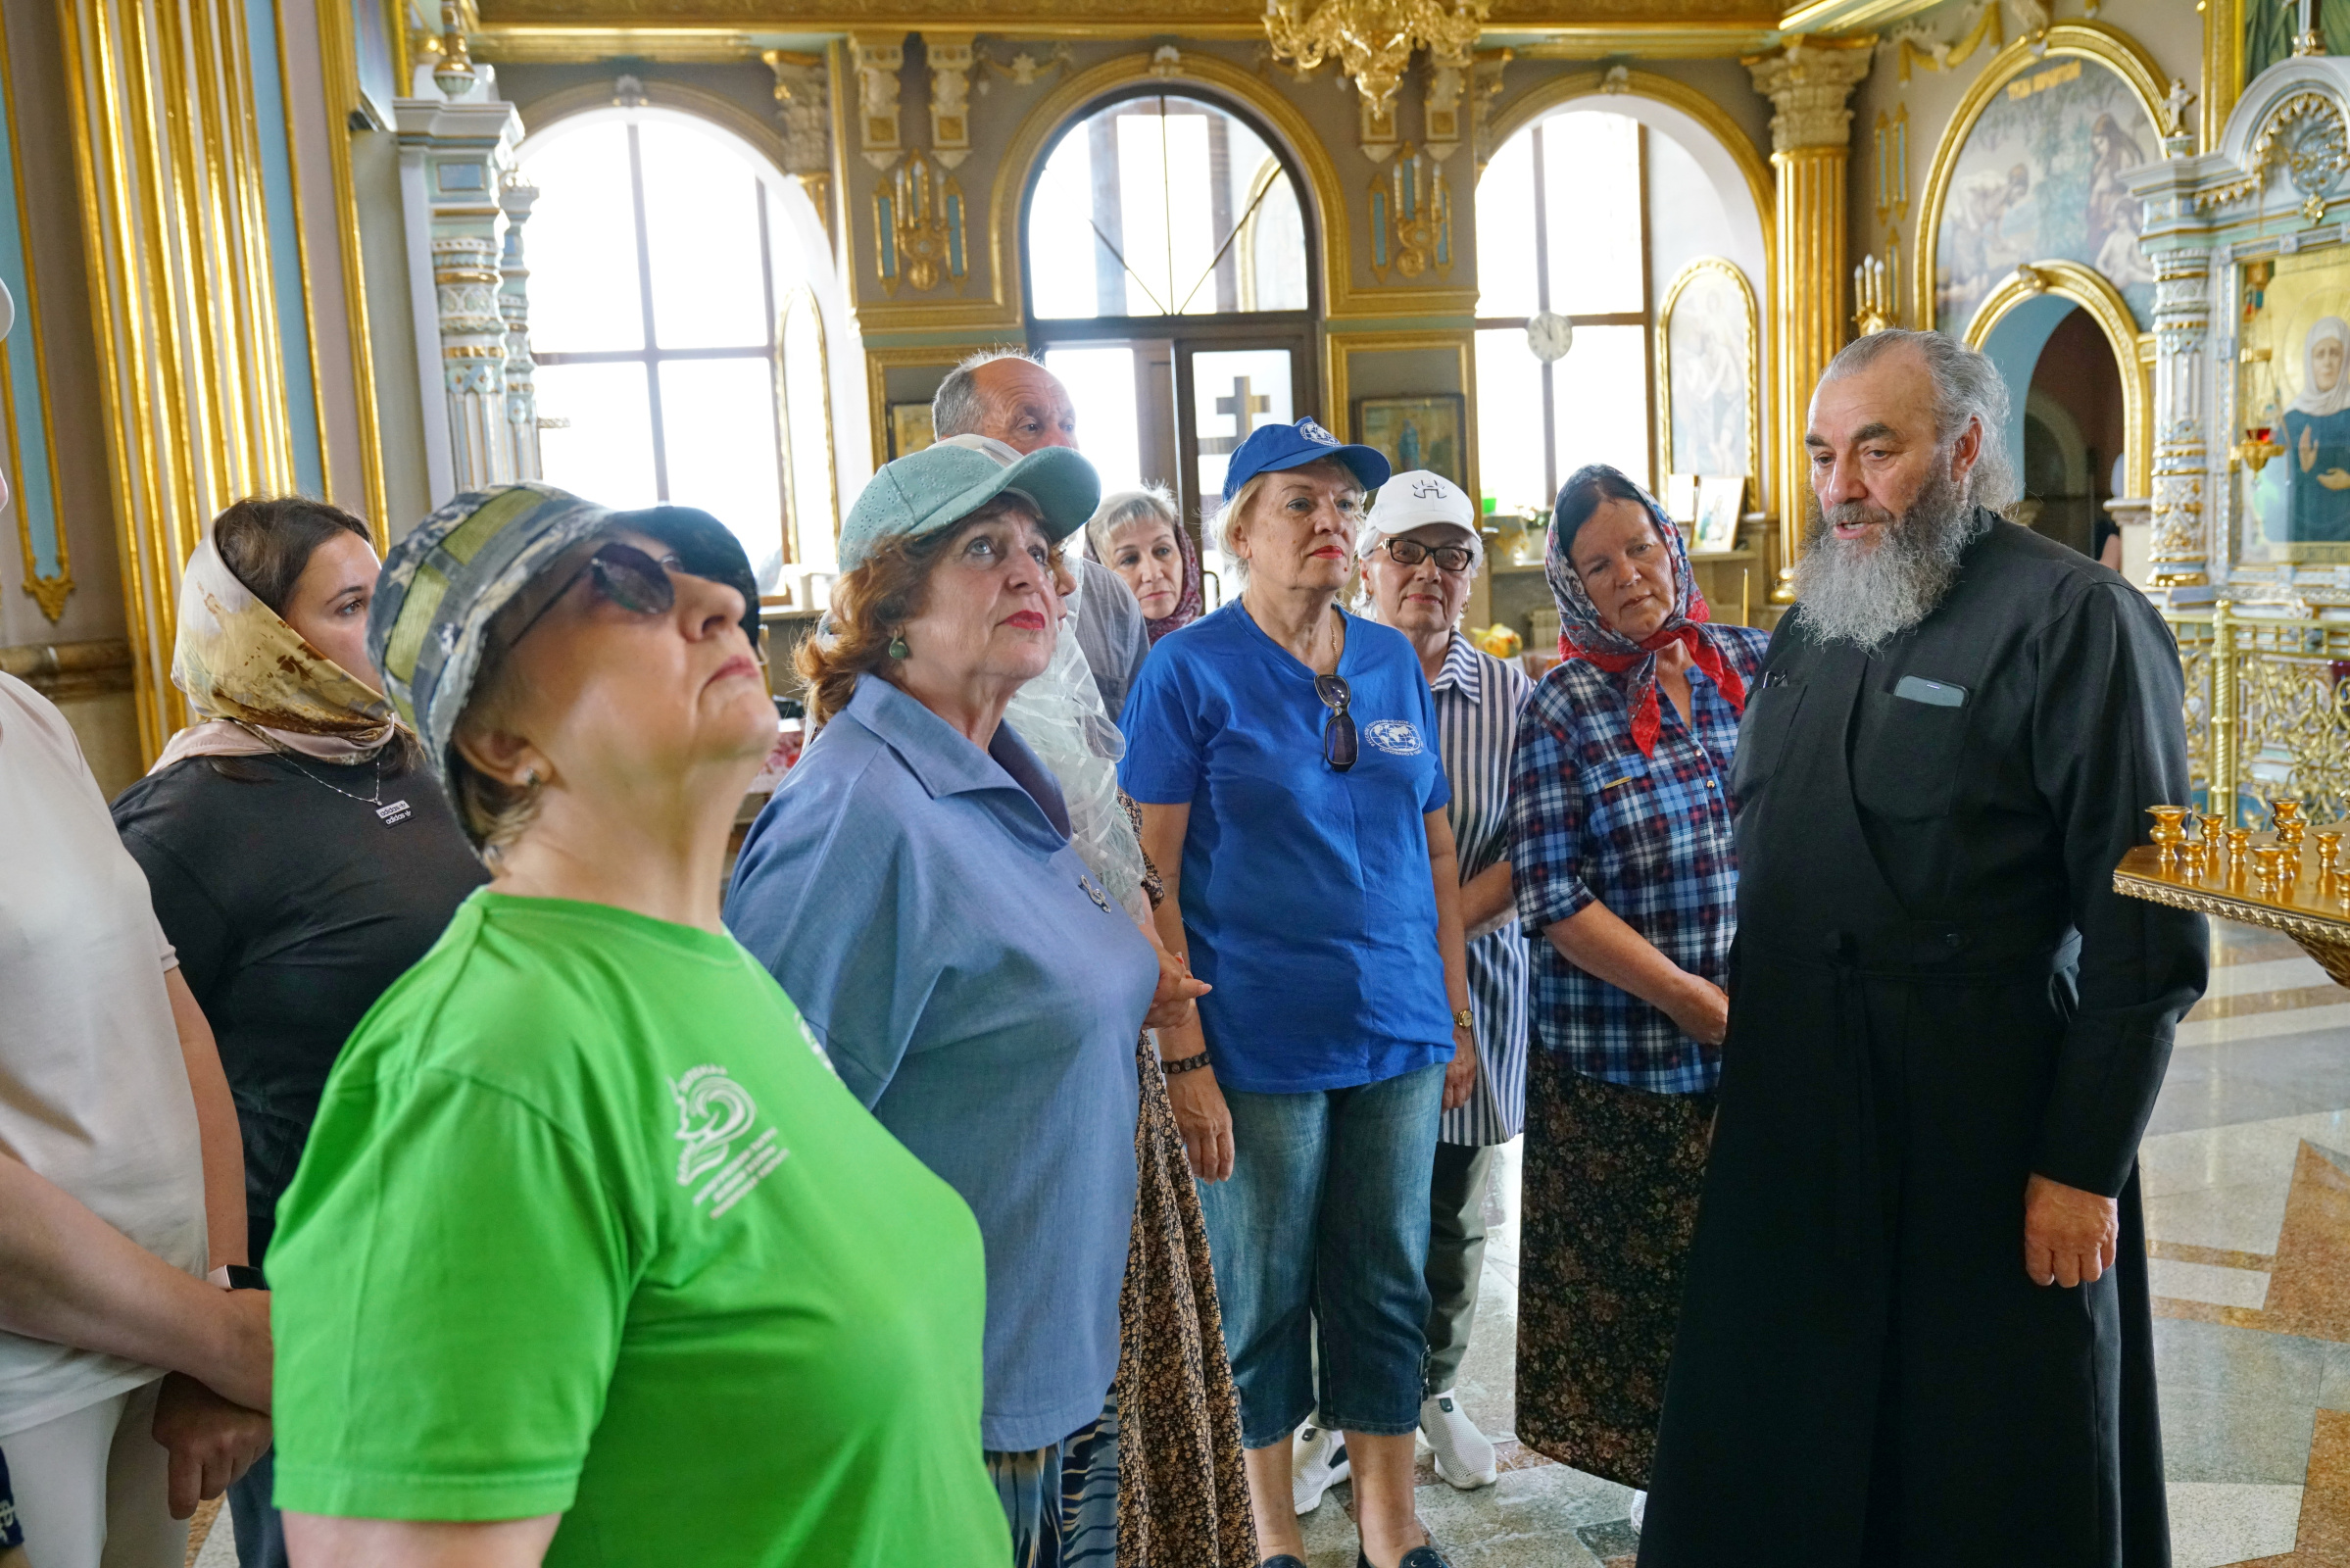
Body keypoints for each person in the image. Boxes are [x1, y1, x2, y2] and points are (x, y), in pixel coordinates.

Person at [268, 483, 1008, 1566]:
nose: (718, 606)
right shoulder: (490, 1066)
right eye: (621, 587)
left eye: (706, 583)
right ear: (501, 741)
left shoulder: (714, 968)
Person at [1639, 329, 2208, 1568]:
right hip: (1797, 1121)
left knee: (1975, 1465)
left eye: (1875, 450)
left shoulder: (2078, 620)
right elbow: (1774, 876)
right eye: (1821, 454)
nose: (1839, 486)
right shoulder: (1811, 620)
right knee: (1787, 1450)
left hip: (1979, 1127)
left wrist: (2081, 1165)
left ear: (1963, 450)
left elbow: (2146, 934)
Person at [725, 441, 1181, 1564]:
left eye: (1037, 547)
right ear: (887, 611)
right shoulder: (855, 818)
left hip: (1050, 1363)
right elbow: (760, 1162)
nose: (1032, 571)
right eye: (982, 548)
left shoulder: (1001, 771)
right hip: (945, 1407)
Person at [1121, 417, 1478, 1568]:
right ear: (1239, 532)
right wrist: (1184, 1056)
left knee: (1386, 1281)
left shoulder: (1386, 660)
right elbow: (1150, 875)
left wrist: (1454, 1012)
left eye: (1344, 504)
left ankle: (1389, 1524)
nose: (1330, 521)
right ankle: (1268, 1530)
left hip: (1397, 1030)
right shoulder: (1188, 671)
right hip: (1257, 1038)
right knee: (1263, 1290)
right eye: (1299, 503)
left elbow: (1434, 848)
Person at [109, 497, 487, 1566]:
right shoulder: (186, 818)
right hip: (317, 1296)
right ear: (262, 635)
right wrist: (215, 1333)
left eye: (388, 598)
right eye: (352, 606)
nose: (388, 627)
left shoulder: (410, 758)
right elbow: (140, 1092)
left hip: (468, 1252)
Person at [0, 271, 272, 1565]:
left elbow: (175, 1026)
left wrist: (216, 1296)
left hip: (154, 1348)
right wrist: (214, 1334)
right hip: (29, 1377)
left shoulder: (26, 716)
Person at [1502, 465, 1765, 1525]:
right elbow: (1551, 893)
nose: (1630, 576)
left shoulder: (1750, 663)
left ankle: (1748, 1481)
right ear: (1572, 586)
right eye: (1598, 564)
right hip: (1625, 1064)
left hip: (1762, 1048)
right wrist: (1686, 999)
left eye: (1641, 548)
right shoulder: (1563, 706)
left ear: (1672, 544)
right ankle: (1675, 1508)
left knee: (1754, 1280)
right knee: (1644, 1301)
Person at [1351, 471, 1535, 1494]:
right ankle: (1345, 1405)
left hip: (1479, 980)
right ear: (1367, 563)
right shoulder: (1327, 673)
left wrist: (1433, 937)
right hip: (1353, 985)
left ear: (1473, 572)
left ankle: (1434, 1387)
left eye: (1450, 555)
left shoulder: (1510, 694)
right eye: (1407, 552)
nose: (1428, 573)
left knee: (1453, 1209)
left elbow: (1535, 844)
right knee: (1355, 1203)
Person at [932, 349, 1152, 715]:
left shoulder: (1109, 598)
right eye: (1030, 426)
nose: (1063, 446)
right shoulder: (921, 591)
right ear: (954, 450)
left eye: (1068, 425)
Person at [1089, 485, 1205, 645]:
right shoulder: (1084, 654)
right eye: (1129, 559)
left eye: (1163, 551)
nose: (1153, 574)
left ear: (1185, 555)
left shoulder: (1216, 643)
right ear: (1098, 575)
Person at [2285, 315, 2350, 541]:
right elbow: (2272, 482)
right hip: (2303, 531)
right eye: (2319, 354)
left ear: (2346, 358)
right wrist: (2301, 468)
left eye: (2335, 353)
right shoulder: (2291, 419)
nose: (2327, 363)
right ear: (2308, 360)